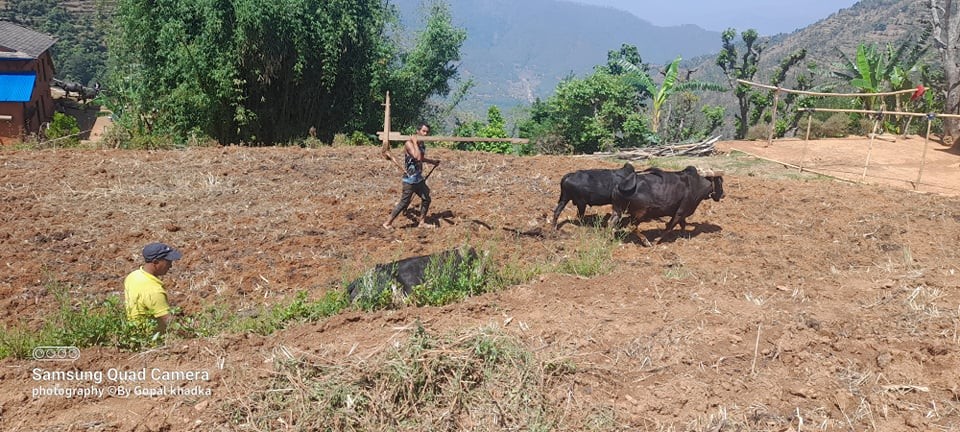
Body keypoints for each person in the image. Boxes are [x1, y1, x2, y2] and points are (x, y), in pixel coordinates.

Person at [383, 123, 440, 229]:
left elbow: (421, 157)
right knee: (404, 202)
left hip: (418, 179)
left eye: (427, 132)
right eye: (423, 131)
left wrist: (432, 161)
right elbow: (417, 157)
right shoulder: (409, 143)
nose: (425, 134)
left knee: (426, 198)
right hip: (409, 179)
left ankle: (422, 222)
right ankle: (387, 223)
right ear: (418, 131)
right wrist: (414, 142)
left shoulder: (422, 143)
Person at [123, 242, 182, 334]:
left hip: (135, 333)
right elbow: (170, 321)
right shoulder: (153, 290)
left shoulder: (133, 276)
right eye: (168, 262)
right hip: (151, 339)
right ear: (155, 262)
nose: (170, 266)